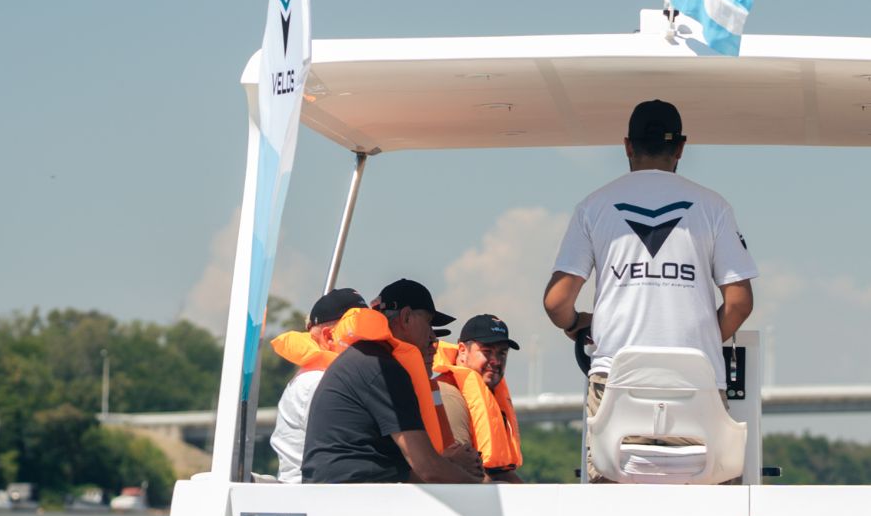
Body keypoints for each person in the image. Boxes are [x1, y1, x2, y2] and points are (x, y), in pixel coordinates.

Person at [542, 99, 756, 425]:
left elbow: (557, 303)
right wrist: (699, 341)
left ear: (628, 146)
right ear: (681, 148)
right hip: (695, 381)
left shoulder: (593, 206)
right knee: (705, 473)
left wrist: (576, 323)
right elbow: (739, 303)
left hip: (616, 378)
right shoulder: (715, 207)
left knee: (614, 474)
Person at [302, 279, 481, 484]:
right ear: (405, 318)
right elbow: (427, 468)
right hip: (352, 499)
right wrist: (482, 490)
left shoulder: (365, 358)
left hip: (342, 492)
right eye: (428, 322)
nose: (433, 336)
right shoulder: (382, 369)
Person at [266, 287, 364, 483]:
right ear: (328, 337)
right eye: (359, 336)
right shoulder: (318, 383)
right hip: (308, 499)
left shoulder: (323, 378)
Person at [433, 313, 524, 482]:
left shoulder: (491, 397)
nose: (496, 361)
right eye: (487, 352)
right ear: (462, 351)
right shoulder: (448, 395)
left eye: (502, 354)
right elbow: (461, 471)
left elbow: (500, 472)